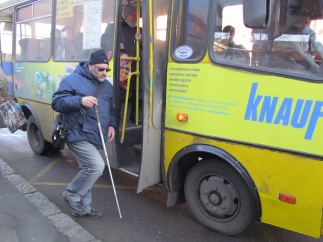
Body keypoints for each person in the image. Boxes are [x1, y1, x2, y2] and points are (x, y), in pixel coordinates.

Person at [51, 49, 116, 217]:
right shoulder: (72, 80)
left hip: (95, 133)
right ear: (90, 66)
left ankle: (83, 209)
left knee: (87, 169)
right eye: (100, 69)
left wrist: (111, 125)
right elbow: (57, 102)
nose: (104, 72)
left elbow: (113, 109)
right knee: (96, 166)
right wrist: (80, 101)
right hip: (76, 132)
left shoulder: (107, 85)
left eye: (106, 69)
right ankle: (71, 194)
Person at [120, 4, 142, 123]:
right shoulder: (116, 27)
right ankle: (117, 118)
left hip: (136, 66)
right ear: (126, 15)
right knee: (120, 95)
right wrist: (116, 45)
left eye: (137, 16)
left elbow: (151, 45)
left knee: (137, 92)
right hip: (122, 67)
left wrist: (142, 39)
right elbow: (105, 41)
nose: (135, 18)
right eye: (133, 15)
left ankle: (134, 115)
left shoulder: (140, 29)